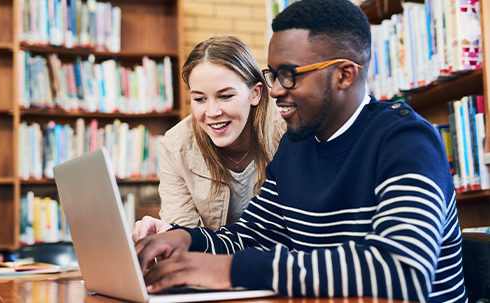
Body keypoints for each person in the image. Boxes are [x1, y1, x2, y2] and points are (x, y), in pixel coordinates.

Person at [135, 0, 467, 302]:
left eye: (289, 75)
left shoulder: (407, 141)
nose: (276, 91)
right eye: (273, 74)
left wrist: (233, 270)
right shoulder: (295, 147)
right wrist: (185, 239)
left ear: (344, 75)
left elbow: (402, 271)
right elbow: (249, 238)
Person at [132, 36, 285, 242]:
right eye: (200, 99)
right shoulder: (176, 146)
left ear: (255, 94)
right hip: (216, 264)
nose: (212, 112)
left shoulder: (287, 131)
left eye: (225, 96)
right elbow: (183, 239)